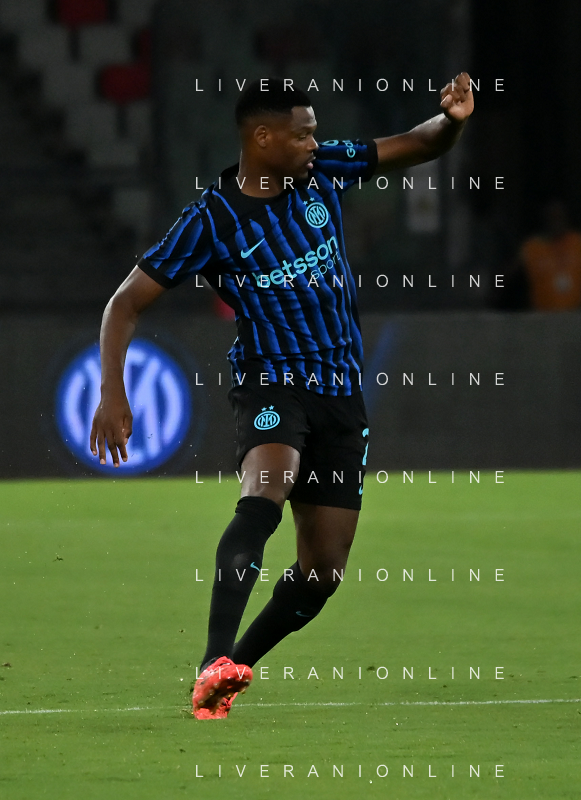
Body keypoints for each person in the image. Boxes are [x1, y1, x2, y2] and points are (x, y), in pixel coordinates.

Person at [88, 75, 474, 719]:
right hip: (272, 381)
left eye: (314, 133)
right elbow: (124, 304)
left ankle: (231, 670)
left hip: (341, 394)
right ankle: (213, 657)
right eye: (302, 134)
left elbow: (418, 144)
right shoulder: (211, 219)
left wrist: (453, 121)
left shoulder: (323, 171)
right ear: (262, 138)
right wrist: (111, 392)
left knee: (324, 570)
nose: (314, 143)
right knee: (266, 490)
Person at [519, 200, 581, 311]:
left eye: (559, 217)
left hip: (577, 315)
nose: (556, 221)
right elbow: (505, 275)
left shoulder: (579, 242)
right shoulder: (532, 247)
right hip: (543, 316)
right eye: (552, 217)